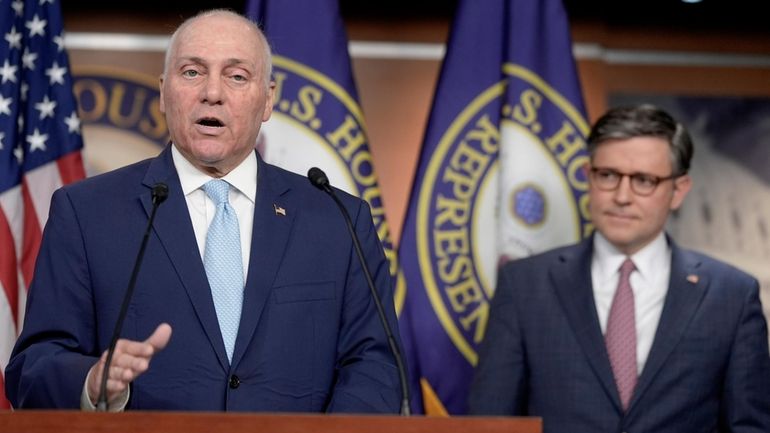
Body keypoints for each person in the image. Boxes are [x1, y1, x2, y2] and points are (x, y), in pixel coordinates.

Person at [5, 9, 403, 413]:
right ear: (163, 91)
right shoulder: (86, 212)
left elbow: (374, 365)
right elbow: (33, 368)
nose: (212, 92)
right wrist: (91, 382)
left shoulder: (336, 219)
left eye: (236, 75)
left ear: (268, 99)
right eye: (192, 72)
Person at [468, 104, 770, 432]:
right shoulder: (524, 285)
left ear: (678, 190)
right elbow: (491, 423)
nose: (622, 196)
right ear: (588, 176)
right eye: (608, 176)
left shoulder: (732, 296)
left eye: (644, 180)